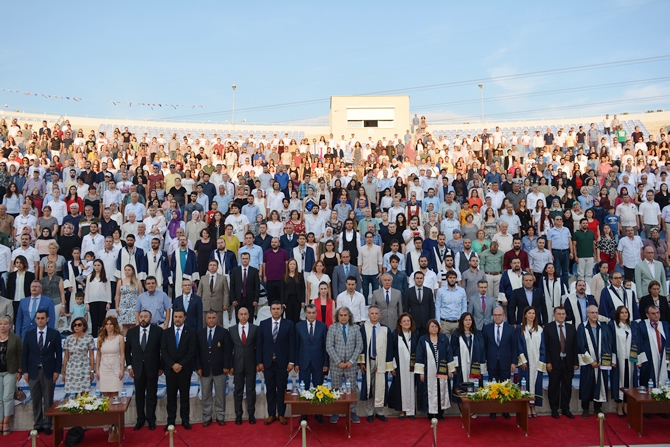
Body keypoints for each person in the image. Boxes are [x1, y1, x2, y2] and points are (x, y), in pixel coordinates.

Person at [21, 309, 62, 435]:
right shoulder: (29, 334)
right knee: (36, 399)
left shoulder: (54, 334)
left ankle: (47, 424)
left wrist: (57, 371)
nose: (40, 320)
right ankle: (37, 424)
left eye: (42, 318)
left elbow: (59, 354)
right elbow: (25, 354)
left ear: (47, 319)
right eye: (38, 318)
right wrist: (25, 372)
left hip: (48, 371)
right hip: (33, 371)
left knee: (48, 399)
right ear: (35, 319)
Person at [125, 310, 163, 431]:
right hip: (137, 370)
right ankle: (140, 419)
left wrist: (161, 367)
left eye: (146, 317)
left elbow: (163, 351)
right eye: (141, 316)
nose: (143, 319)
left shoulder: (158, 331)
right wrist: (130, 367)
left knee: (152, 395)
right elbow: (127, 351)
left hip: (153, 369)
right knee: (139, 396)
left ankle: (151, 420)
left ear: (150, 319)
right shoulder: (131, 332)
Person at [326, 307, 364, 424]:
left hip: (351, 366)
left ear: (349, 316)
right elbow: (329, 346)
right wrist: (339, 361)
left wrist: (351, 361)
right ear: (337, 316)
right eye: (341, 315)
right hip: (336, 365)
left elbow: (359, 346)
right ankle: (335, 411)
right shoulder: (332, 328)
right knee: (335, 389)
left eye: (345, 315)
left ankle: (352, 412)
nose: (343, 317)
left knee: (351, 389)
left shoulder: (356, 328)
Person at [161, 309, 196, 430]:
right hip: (170, 370)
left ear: (184, 318)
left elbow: (192, 351)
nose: (177, 319)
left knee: (184, 397)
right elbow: (164, 351)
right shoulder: (166, 333)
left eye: (180, 317)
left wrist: (180, 364)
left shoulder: (191, 332)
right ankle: (171, 421)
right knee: (171, 398)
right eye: (175, 317)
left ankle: (185, 420)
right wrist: (172, 364)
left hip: (184, 370)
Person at [196, 311, 232, 427]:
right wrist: (198, 367)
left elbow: (227, 351)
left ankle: (220, 415)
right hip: (205, 370)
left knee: (220, 394)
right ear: (206, 320)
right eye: (209, 318)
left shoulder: (224, 332)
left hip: (220, 369)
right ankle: (207, 416)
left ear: (217, 319)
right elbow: (197, 353)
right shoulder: (200, 333)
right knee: (205, 394)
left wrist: (226, 366)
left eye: (213, 318)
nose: (211, 320)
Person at [358, 305, 394, 422]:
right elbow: (361, 346)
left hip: (381, 363)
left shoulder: (386, 329)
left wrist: (389, 365)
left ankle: (380, 412)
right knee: (369, 387)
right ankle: (369, 412)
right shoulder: (364, 328)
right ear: (368, 315)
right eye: (371, 313)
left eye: (376, 313)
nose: (374, 315)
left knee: (381, 387)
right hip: (369, 362)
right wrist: (361, 362)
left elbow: (389, 348)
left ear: (380, 315)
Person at [577, 305, 614, 418]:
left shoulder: (603, 327)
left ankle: (598, 408)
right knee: (587, 384)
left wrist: (603, 360)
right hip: (588, 362)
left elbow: (609, 343)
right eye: (592, 312)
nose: (594, 315)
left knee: (601, 384)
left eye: (596, 312)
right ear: (587, 314)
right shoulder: (582, 327)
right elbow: (580, 345)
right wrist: (591, 361)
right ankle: (586, 408)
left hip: (601, 362)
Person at [294, 304, 329, 423]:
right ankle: (304, 414)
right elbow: (296, 346)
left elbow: (325, 347)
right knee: (304, 389)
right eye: (309, 312)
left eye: (313, 312)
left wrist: (326, 363)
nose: (311, 315)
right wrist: (296, 363)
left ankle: (318, 413)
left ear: (316, 313)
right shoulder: (298, 326)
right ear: (305, 313)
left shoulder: (323, 326)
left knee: (318, 389)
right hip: (303, 362)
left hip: (318, 363)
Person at [482, 306, 518, 419]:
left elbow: (514, 347)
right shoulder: (487, 328)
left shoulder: (510, 329)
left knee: (505, 387)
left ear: (504, 316)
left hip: (506, 362)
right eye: (495, 315)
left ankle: (504, 410)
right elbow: (484, 346)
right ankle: (493, 409)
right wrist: (485, 361)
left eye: (499, 315)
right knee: (492, 386)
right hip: (492, 362)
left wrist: (513, 362)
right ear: (492, 316)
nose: (497, 317)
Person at [415, 319, 454, 421]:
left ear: (439, 328)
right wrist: (421, 372)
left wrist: (450, 370)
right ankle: (430, 413)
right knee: (429, 392)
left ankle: (440, 413)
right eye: (432, 326)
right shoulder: (423, 339)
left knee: (441, 391)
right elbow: (419, 356)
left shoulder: (443, 339)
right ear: (428, 328)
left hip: (442, 370)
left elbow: (449, 354)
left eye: (436, 326)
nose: (434, 328)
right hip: (428, 371)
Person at [544, 306, 578, 419]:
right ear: (554, 315)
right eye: (559, 314)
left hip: (567, 362)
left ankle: (565, 408)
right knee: (553, 386)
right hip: (554, 362)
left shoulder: (571, 328)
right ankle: (554, 408)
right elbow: (546, 347)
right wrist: (548, 362)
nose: (561, 316)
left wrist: (575, 362)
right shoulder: (548, 328)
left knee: (567, 386)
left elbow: (574, 347)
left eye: (563, 314)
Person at [516, 306, 546, 417]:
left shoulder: (540, 329)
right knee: (525, 384)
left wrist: (542, 360)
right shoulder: (520, 328)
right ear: (525, 315)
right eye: (529, 313)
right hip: (525, 363)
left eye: (533, 313)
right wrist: (522, 360)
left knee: (536, 384)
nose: (532, 315)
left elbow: (543, 347)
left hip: (537, 362)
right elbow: (518, 345)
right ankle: (526, 406)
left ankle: (533, 406)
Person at [230, 307, 258, 425]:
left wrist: (258, 363)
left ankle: (251, 414)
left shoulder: (255, 329)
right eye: (241, 314)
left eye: (245, 314)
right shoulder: (231, 330)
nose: (243, 316)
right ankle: (239, 415)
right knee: (238, 391)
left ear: (248, 315)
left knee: (251, 390)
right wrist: (231, 365)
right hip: (237, 365)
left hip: (251, 364)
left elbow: (258, 348)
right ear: (237, 315)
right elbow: (229, 350)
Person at [388, 313, 419, 419]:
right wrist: (392, 367)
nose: (406, 323)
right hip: (399, 366)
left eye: (408, 321)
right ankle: (401, 410)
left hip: (412, 366)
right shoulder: (395, 334)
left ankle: (411, 410)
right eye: (404, 321)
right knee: (400, 387)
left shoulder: (415, 334)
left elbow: (419, 350)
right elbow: (391, 350)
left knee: (411, 386)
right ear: (400, 323)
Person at [450, 312, 486, 404]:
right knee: (461, 385)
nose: (468, 322)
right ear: (462, 321)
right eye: (466, 320)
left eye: (470, 320)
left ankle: (473, 408)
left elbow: (482, 350)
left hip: (475, 366)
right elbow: (452, 351)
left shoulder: (477, 334)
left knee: (475, 385)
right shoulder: (456, 334)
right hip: (461, 366)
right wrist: (454, 367)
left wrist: (482, 366)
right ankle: (463, 409)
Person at [633, 304, 670, 391]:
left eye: (658, 313)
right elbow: (638, 342)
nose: (656, 315)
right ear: (647, 315)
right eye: (653, 313)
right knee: (649, 381)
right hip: (648, 358)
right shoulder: (641, 325)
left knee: (665, 381)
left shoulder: (665, 325)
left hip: (664, 357)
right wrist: (639, 360)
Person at [608, 306, 636, 418]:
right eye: (622, 312)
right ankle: (619, 406)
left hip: (630, 360)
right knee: (618, 382)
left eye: (626, 312)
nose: (624, 314)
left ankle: (627, 405)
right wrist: (612, 360)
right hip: (618, 359)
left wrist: (638, 359)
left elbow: (636, 341)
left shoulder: (632, 325)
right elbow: (610, 342)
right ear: (618, 314)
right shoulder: (613, 325)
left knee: (629, 383)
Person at [62, 317, 95, 395]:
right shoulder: (68, 338)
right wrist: (64, 371)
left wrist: (92, 371)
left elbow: (91, 356)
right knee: (73, 392)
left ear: (84, 326)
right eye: (75, 325)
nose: (76, 327)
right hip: (71, 367)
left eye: (79, 325)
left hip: (84, 366)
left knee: (85, 393)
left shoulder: (89, 338)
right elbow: (66, 356)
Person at [0, 315, 21, 435]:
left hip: (10, 370)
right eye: (0, 324)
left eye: (5, 324)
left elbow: (19, 353)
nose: (2, 326)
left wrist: (19, 370)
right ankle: (0, 421)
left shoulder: (15, 338)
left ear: (10, 326)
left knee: (7, 397)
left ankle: (6, 422)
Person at [84, 260, 112, 338]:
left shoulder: (106, 277)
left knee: (102, 321)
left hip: (103, 301)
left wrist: (108, 302)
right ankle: (94, 338)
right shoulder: (90, 277)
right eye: (95, 265)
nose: (96, 267)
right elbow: (87, 290)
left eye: (98, 265)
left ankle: (103, 337)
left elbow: (108, 290)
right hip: (92, 301)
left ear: (102, 266)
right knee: (94, 321)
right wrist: (86, 302)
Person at [434, 270, 467, 337]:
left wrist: (463, 321)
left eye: (454, 278)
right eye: (450, 277)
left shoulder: (461, 291)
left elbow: (464, 307)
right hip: (445, 323)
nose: (452, 279)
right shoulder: (441, 291)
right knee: (444, 345)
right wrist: (438, 323)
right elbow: (437, 307)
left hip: (457, 322)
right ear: (447, 279)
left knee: (457, 345)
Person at [230, 253, 261, 322]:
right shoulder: (235, 270)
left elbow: (257, 286)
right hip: (238, 298)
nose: (245, 260)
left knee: (250, 318)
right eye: (243, 259)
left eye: (246, 259)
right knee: (238, 318)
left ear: (249, 259)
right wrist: (233, 299)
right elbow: (232, 286)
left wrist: (256, 299)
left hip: (250, 299)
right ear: (241, 259)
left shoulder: (254, 270)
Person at [198, 259, 229, 326]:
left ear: (217, 267)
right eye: (211, 265)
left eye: (214, 265)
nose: (212, 267)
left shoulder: (223, 278)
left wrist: (225, 304)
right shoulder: (203, 278)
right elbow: (199, 292)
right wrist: (198, 303)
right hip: (205, 305)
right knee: (204, 324)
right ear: (208, 267)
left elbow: (226, 292)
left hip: (218, 305)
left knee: (219, 324)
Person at [115, 264, 143, 335]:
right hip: (123, 307)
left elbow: (140, 294)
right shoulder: (120, 281)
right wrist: (117, 307)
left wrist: (140, 307)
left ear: (133, 271)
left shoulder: (137, 281)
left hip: (134, 306)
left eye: (129, 270)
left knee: (133, 325)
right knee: (125, 326)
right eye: (125, 270)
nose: (127, 272)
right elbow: (118, 295)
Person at [7, 256, 35, 324]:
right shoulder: (11, 275)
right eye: (17, 262)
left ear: (24, 263)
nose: (19, 264)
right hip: (14, 300)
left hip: (26, 300)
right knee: (15, 319)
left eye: (20, 262)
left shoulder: (30, 275)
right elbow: (8, 289)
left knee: (26, 319)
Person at [280, 259, 306, 324]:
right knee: (289, 318)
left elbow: (303, 288)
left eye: (294, 264)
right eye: (291, 264)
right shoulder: (284, 276)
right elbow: (282, 290)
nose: (292, 266)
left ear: (296, 266)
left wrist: (303, 301)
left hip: (297, 300)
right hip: (288, 300)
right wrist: (283, 302)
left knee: (296, 318)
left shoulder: (300, 276)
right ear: (288, 266)